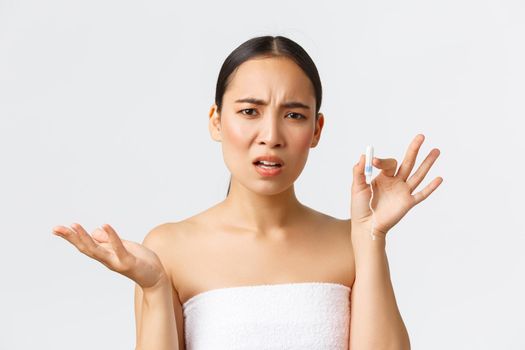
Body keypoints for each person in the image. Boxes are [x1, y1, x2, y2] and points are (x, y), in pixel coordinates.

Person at [52, 35, 442, 350]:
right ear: (216, 122)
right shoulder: (170, 248)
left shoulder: (351, 243)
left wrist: (371, 236)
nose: (271, 137)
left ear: (317, 130)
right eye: (249, 111)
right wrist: (155, 286)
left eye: (293, 115)